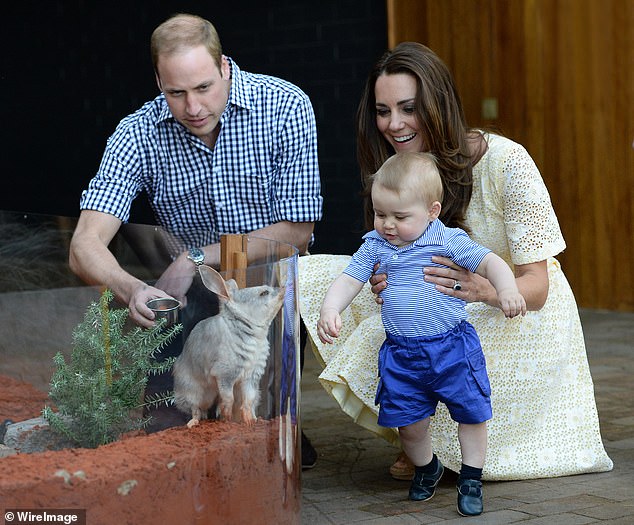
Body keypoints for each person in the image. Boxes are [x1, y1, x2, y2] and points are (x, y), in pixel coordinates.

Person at [298, 42, 613, 481]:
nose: (394, 124)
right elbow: (389, 252)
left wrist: (484, 290)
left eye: (409, 108)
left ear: (438, 104)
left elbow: (537, 286)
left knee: (401, 335)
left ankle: (442, 446)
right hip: (438, 295)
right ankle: (417, 436)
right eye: (383, 111)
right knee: (316, 276)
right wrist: (382, 277)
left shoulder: (507, 161)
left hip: (512, 304)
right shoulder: (397, 167)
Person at [68, 13, 322, 467]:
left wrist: (196, 257)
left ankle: (279, 432)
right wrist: (133, 289)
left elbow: (298, 231)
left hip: (266, 291)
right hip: (190, 305)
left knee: (266, 450)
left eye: (204, 87)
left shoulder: (285, 106)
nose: (193, 107)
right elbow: (83, 245)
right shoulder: (138, 132)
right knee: (169, 440)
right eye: (176, 93)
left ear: (224, 66)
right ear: (158, 82)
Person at [318, 152, 526, 515]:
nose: (387, 225)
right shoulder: (375, 246)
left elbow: (490, 261)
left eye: (400, 217)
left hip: (452, 349)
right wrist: (331, 308)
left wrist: (506, 289)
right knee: (409, 426)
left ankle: (472, 477)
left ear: (432, 211)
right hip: (402, 354)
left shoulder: (447, 240)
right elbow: (349, 279)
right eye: (380, 214)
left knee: (471, 414)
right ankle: (428, 468)